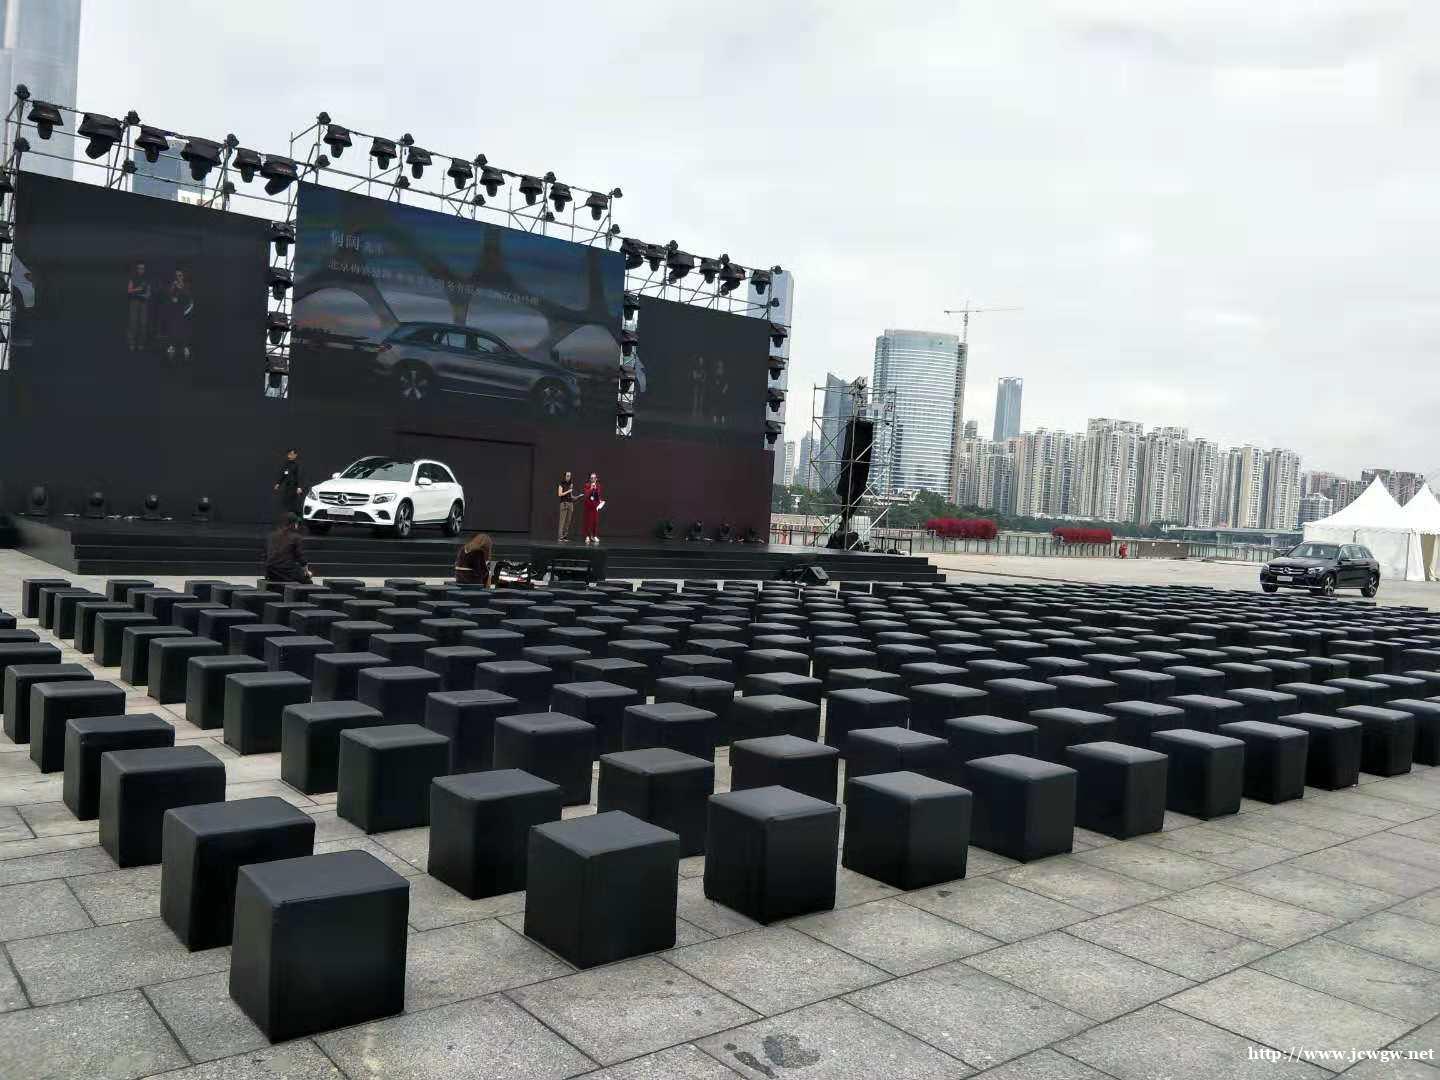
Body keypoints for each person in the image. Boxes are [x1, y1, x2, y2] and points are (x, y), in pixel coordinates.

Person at [156, 269, 194, 361]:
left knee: (184, 330)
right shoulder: (172, 286)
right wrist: (173, 288)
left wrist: (180, 289)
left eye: (180, 275)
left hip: (185, 311)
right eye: (176, 276)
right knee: (172, 329)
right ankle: (171, 347)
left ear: (183, 276)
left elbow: (189, 298)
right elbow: (168, 295)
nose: (178, 278)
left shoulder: (187, 286)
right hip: (174, 311)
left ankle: (185, 348)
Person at [264, 514, 312, 583]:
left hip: (271, 572)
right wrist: (307, 572)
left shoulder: (272, 535)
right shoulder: (295, 537)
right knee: (308, 582)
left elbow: (266, 555)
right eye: (297, 523)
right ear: (293, 524)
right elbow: (300, 557)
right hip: (286, 571)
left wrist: (267, 573)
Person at [125, 262, 150, 351]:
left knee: (143, 324)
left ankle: (141, 343)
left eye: (142, 268)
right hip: (134, 302)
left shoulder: (147, 279)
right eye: (139, 268)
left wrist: (145, 295)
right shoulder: (133, 278)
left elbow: (148, 293)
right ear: (137, 269)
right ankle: (131, 343)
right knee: (133, 322)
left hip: (143, 303)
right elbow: (129, 291)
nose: (141, 270)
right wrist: (138, 289)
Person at [274, 448, 304, 516]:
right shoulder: (286, 464)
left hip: (295, 487)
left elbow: (299, 476)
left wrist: (299, 487)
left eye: (292, 454)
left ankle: (297, 518)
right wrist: (278, 483)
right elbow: (284, 475)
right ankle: (290, 517)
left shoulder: (297, 464)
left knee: (295, 503)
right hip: (288, 486)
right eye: (290, 454)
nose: (291, 455)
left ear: (296, 455)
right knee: (287, 502)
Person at [582, 472, 604, 544]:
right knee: (588, 521)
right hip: (588, 506)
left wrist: (600, 501)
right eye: (592, 478)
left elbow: (598, 495)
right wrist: (591, 488)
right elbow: (586, 495)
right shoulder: (587, 485)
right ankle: (587, 536)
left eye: (594, 478)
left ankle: (594, 536)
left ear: (596, 479)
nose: (593, 479)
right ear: (590, 479)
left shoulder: (598, 486)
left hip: (595, 506)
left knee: (595, 522)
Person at [556, 471, 577, 542]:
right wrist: (568, 491)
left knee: (568, 521)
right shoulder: (561, 484)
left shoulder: (571, 484)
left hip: (570, 503)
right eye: (567, 476)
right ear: (565, 476)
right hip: (564, 503)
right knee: (562, 521)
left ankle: (565, 536)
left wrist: (576, 497)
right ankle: (560, 537)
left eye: (570, 476)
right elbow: (559, 494)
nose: (569, 477)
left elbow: (570, 495)